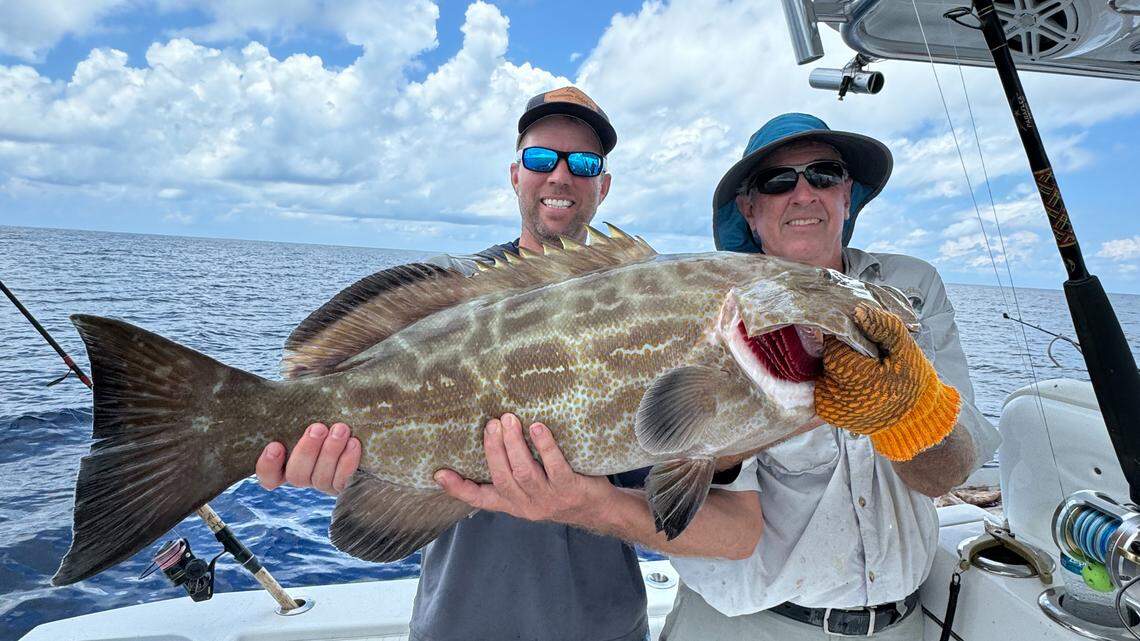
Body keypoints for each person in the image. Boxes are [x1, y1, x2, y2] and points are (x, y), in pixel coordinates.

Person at [254, 86, 772, 641]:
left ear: (604, 185)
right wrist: (339, 461)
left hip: (606, 628)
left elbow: (713, 513)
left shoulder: (656, 309)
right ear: (515, 172)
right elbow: (339, 403)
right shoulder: (450, 292)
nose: (560, 175)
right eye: (542, 157)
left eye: (584, 162)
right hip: (456, 626)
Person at [657, 113, 1002, 640]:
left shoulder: (911, 289)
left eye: (823, 174)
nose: (803, 193)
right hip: (749, 624)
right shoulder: (707, 309)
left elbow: (947, 475)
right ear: (749, 211)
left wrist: (903, 414)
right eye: (777, 181)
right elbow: (690, 488)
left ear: (848, 195)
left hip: (901, 623)